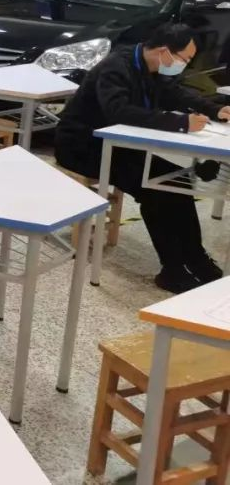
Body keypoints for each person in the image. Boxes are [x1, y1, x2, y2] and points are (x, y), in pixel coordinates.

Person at [55, 23, 230, 293]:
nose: (184, 65)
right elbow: (119, 111)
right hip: (84, 146)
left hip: (123, 146)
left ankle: (195, 257)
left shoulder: (153, 66)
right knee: (155, 188)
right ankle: (172, 269)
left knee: (178, 182)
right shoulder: (116, 67)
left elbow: (175, 93)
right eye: (184, 59)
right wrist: (181, 123)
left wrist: (214, 109)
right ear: (164, 51)